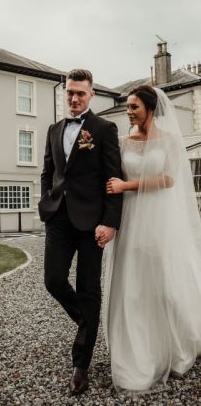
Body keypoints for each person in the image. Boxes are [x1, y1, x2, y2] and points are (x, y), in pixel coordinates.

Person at [103, 85, 201, 393]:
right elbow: (107, 178)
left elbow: (169, 179)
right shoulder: (121, 142)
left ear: (149, 108)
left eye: (133, 107)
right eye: (127, 107)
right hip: (131, 220)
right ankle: (138, 353)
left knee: (164, 284)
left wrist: (126, 185)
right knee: (133, 285)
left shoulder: (170, 140)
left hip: (160, 221)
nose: (129, 112)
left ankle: (174, 346)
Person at [38, 69, 123, 395]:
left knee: (89, 290)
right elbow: (49, 171)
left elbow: (113, 178)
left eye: (81, 94)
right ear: (66, 93)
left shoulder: (104, 129)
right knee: (53, 280)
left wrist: (110, 222)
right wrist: (46, 203)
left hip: (92, 223)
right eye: (70, 93)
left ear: (92, 96)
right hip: (58, 217)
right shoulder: (53, 129)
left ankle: (81, 366)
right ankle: (88, 323)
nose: (74, 98)